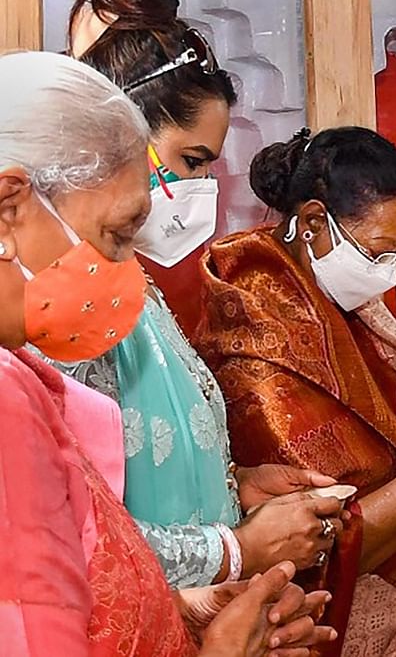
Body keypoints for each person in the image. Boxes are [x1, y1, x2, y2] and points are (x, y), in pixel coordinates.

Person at [0, 49, 333, 657]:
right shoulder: (10, 393)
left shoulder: (23, 364)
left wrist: (181, 609)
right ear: (9, 208)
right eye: (115, 235)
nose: (126, 264)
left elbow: (90, 563)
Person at [48, 0, 345, 590]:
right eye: (192, 161)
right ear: (120, 138)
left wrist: (235, 487)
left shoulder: (134, 285)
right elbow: (72, 534)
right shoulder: (59, 303)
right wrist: (235, 549)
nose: (203, 187)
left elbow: (142, 466)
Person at [195, 126, 396, 656]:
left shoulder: (347, 306)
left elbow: (377, 451)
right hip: (316, 625)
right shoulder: (257, 338)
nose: (390, 274)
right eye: (379, 253)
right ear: (313, 223)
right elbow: (314, 538)